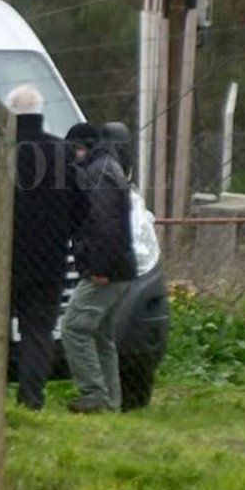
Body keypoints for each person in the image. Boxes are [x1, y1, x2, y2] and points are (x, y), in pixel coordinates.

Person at [0, 84, 85, 411]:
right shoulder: (62, 154)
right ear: (41, 112)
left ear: (8, 112)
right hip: (48, 262)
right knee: (38, 332)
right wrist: (63, 236)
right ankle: (32, 397)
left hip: (1, 263)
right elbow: (82, 207)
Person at [61, 122, 136, 413]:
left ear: (82, 147)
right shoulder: (108, 166)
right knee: (102, 335)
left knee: (74, 328)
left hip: (106, 269)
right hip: (120, 266)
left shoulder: (97, 173)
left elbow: (105, 223)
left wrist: (100, 267)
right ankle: (110, 402)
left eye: (74, 150)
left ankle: (93, 394)